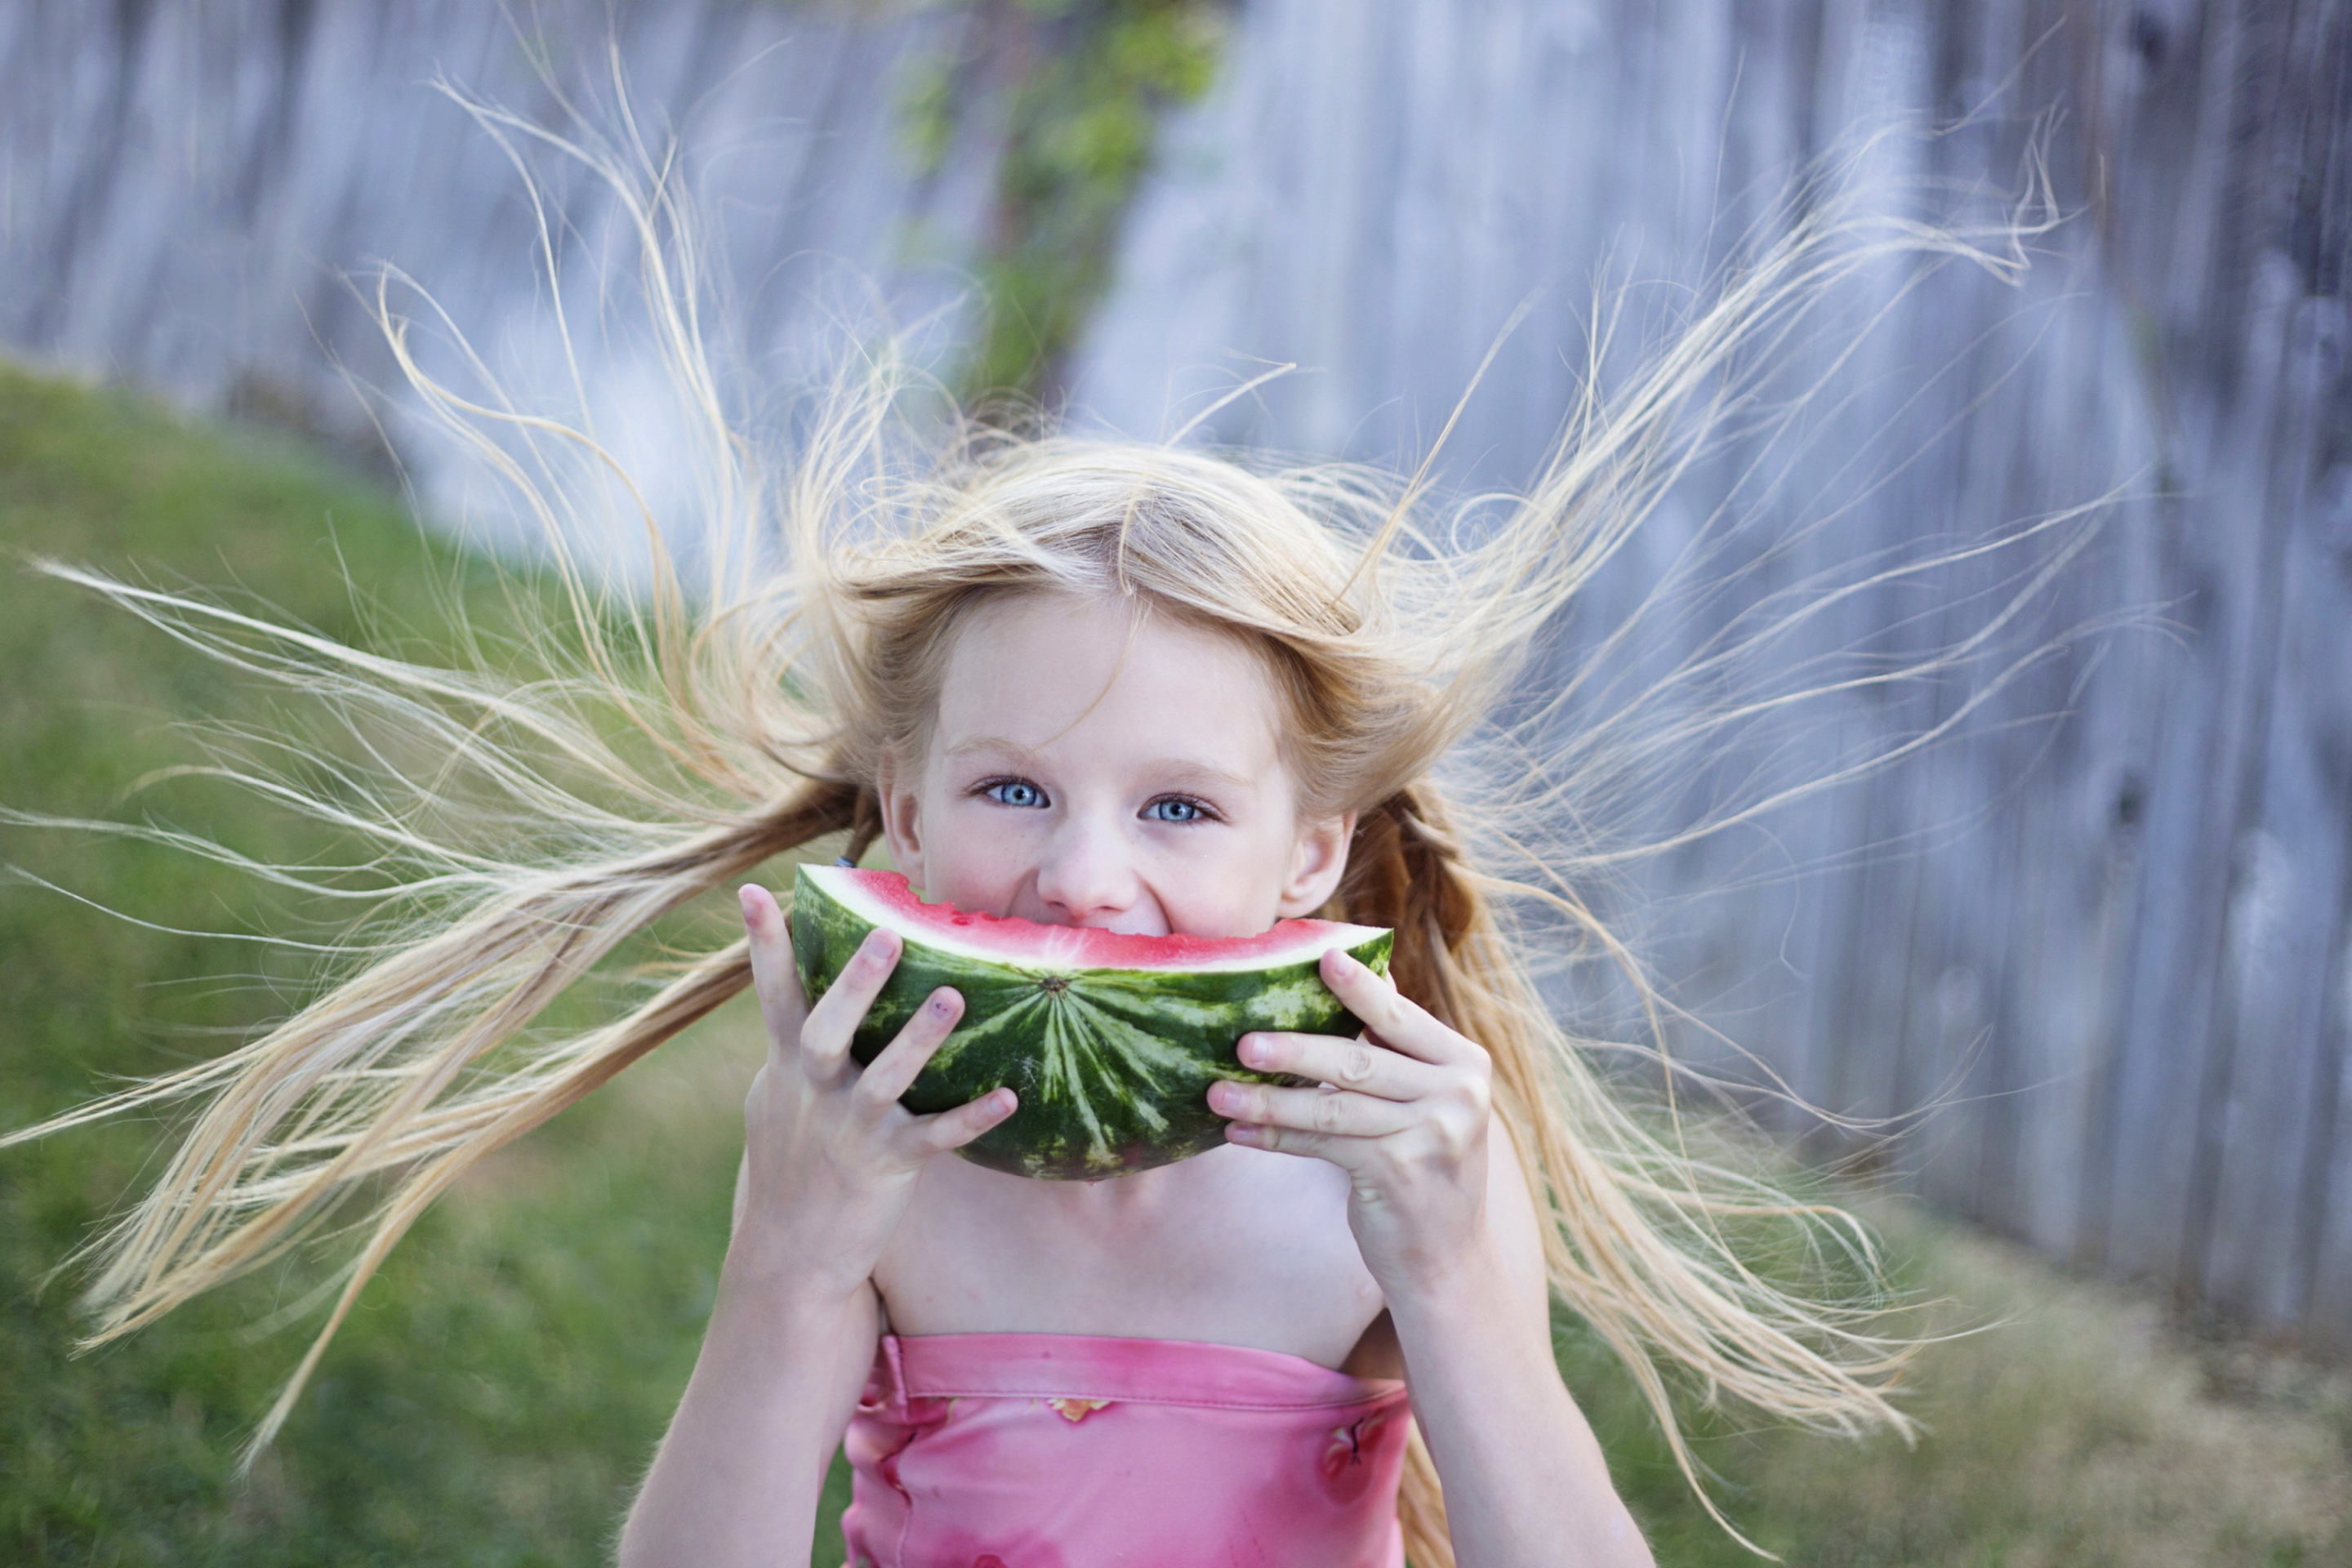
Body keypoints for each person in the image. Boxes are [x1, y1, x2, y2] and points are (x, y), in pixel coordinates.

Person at [6, 127, 2036, 1566]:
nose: (1080, 882)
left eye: (1176, 809)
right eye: (1011, 793)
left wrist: (1462, 1286)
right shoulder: (868, 1159)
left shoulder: (1388, 1184)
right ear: (897, 811)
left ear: (1311, 857)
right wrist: (797, 1262)